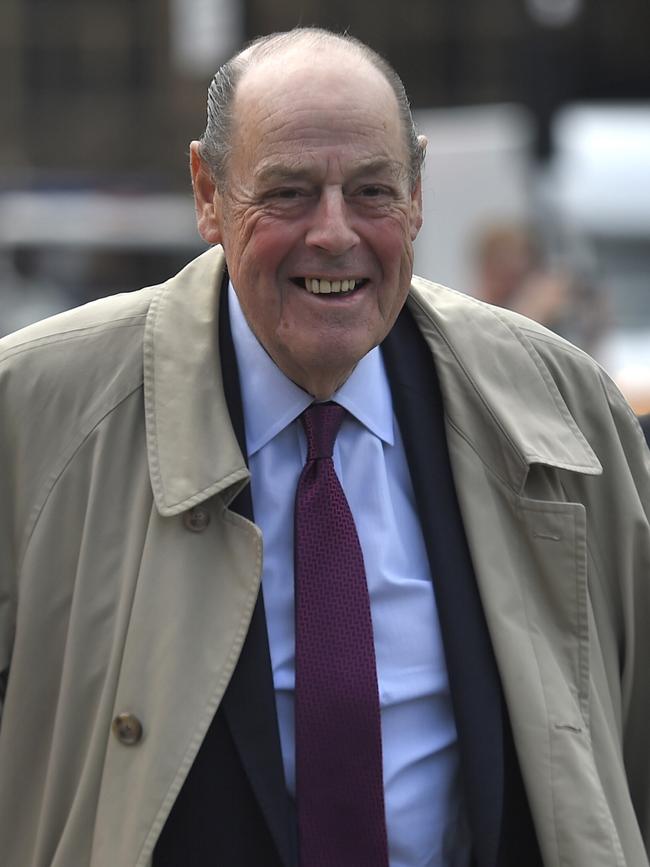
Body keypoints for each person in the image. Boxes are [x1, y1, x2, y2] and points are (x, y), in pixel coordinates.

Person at [0, 28, 649, 867]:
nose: (334, 233)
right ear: (207, 192)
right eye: (290, 193)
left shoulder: (566, 412)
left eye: (373, 191)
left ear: (418, 192)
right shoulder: (34, 415)